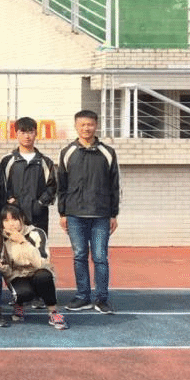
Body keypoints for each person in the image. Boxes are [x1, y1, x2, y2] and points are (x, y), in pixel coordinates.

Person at [58, 109, 120, 314]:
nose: (86, 128)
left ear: (96, 125)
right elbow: (62, 185)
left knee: (100, 257)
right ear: (76, 126)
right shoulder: (67, 152)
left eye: (90, 124)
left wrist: (113, 214)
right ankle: (82, 296)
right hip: (75, 214)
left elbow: (115, 185)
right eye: (82, 124)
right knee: (79, 256)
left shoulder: (107, 152)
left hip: (101, 215)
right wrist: (63, 213)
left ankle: (102, 299)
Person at [0, 204, 68, 330]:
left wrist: (23, 241)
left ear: (22, 218)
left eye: (14, 219)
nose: (11, 224)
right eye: (6, 220)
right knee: (24, 293)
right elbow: (4, 266)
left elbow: (41, 262)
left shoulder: (37, 233)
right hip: (17, 275)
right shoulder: (0, 238)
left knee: (44, 276)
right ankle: (19, 302)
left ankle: (53, 312)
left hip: (37, 271)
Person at [0, 116, 57, 235]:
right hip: (13, 215)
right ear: (16, 134)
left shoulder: (45, 161)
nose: (27, 136)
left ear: (36, 134)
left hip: (38, 216)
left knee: (37, 245)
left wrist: (40, 203)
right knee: (13, 245)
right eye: (23, 132)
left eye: (30, 132)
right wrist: (10, 199)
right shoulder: (7, 160)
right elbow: (0, 184)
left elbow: (52, 187)